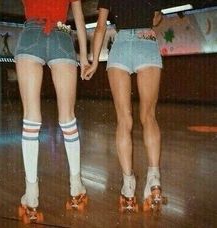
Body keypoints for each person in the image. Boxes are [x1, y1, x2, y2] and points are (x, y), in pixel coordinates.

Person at [84, 0, 166, 212]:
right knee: (148, 116)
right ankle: (154, 180)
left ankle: (129, 189)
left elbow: (101, 26)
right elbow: (156, 17)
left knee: (124, 120)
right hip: (146, 41)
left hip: (120, 45)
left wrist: (94, 62)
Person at [15, 0, 89, 223]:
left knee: (31, 118)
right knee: (68, 118)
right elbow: (79, 18)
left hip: (30, 36)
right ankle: (76, 184)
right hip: (61, 36)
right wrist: (84, 57)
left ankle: (32, 193)